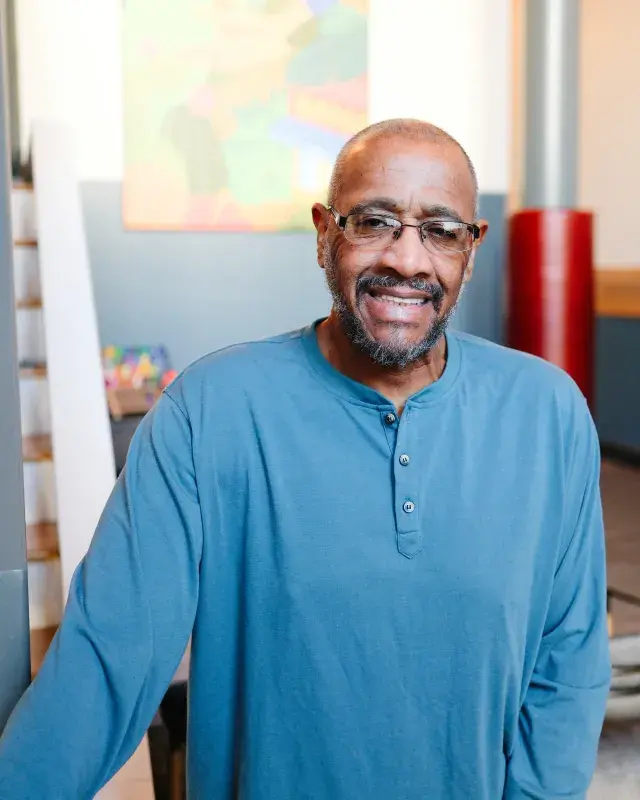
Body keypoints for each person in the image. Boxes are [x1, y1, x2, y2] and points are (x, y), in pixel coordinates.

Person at [0, 119, 610, 799]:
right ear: (324, 233)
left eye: (440, 230)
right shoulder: (209, 412)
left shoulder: (547, 414)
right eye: (374, 221)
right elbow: (104, 659)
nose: (408, 261)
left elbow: (570, 659)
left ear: (472, 249)